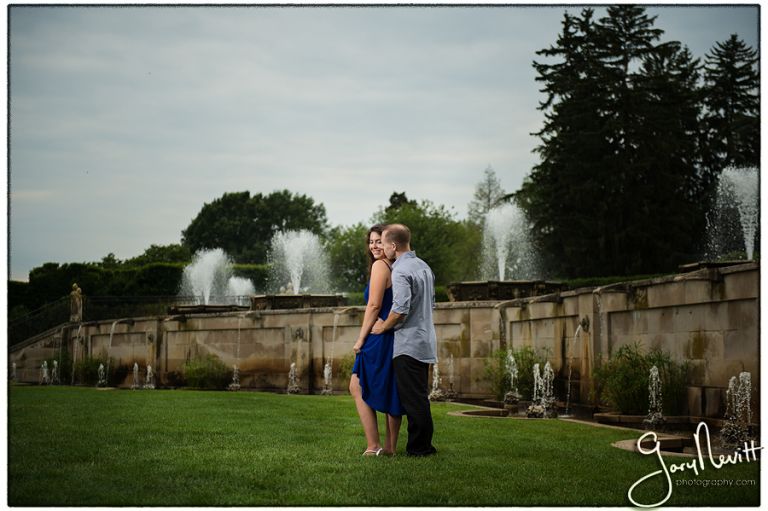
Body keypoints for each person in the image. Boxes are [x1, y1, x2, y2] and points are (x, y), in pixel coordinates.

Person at [371, 223, 438, 457]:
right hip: (425, 340)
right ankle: (424, 445)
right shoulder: (423, 266)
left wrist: (382, 327)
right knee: (419, 396)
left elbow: (400, 310)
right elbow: (431, 304)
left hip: (408, 343)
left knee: (413, 400)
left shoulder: (399, 270)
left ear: (393, 245)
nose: (381, 248)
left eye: (383, 243)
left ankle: (419, 448)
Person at [349, 224, 403, 456]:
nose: (374, 246)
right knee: (390, 388)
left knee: (356, 385)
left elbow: (373, 305)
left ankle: (374, 446)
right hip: (391, 335)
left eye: (379, 241)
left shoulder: (380, 266)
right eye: (371, 242)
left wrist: (360, 339)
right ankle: (389, 447)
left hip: (378, 337)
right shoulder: (395, 266)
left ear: (390, 243)